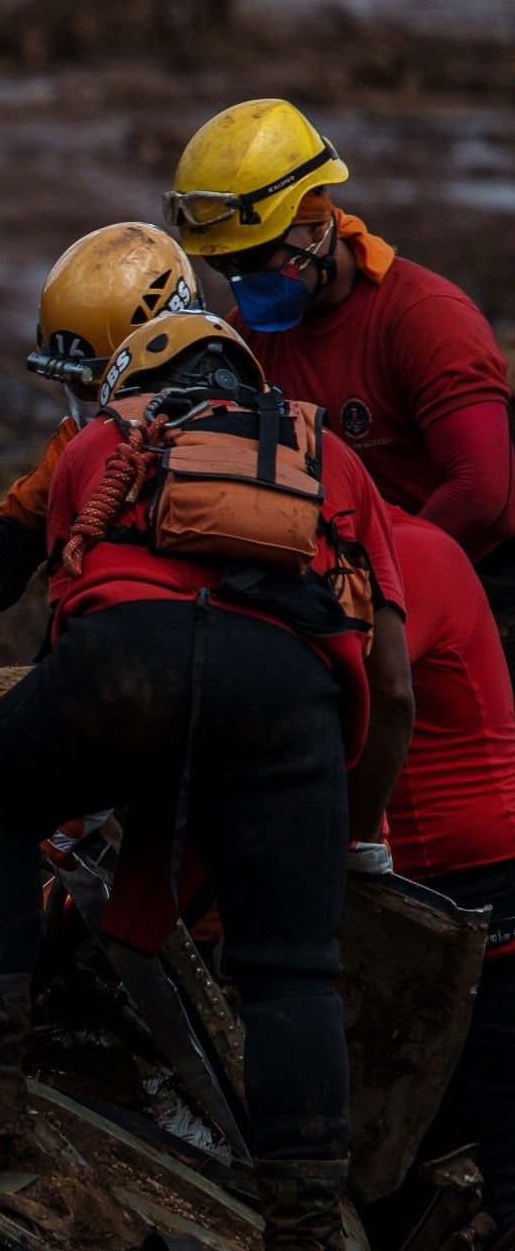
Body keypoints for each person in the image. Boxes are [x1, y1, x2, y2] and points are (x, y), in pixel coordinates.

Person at [0, 311, 414, 1249]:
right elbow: (392, 680)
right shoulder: (333, 456)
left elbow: (63, 602)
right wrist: (358, 828)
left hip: (124, 659)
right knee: (295, 971)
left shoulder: (103, 436)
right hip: (287, 697)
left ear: (137, 376)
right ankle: (302, 1220)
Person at [166, 98, 515, 661]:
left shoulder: (425, 318)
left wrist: (371, 581)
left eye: (256, 260)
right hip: (332, 586)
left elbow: (482, 491)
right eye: (225, 267)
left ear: (314, 222)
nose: (242, 281)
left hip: (474, 582)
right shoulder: (246, 341)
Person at [0, 221, 201, 715]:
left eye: (98, 385)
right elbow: (12, 534)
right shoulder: (81, 443)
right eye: (74, 385)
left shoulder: (237, 442)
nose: (85, 404)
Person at [362, 508, 515, 1235]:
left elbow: (366, 692)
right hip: (411, 881)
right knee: (421, 1126)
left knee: (489, 1127)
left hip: (475, 873)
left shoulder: (412, 553)